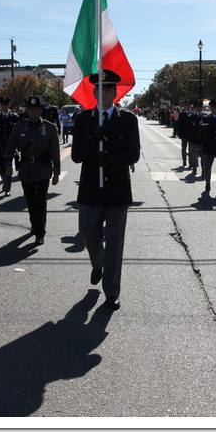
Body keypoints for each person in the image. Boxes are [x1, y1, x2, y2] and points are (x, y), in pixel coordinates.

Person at [72, 70, 140, 311]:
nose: (103, 93)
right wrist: (93, 138)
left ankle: (111, 291)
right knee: (88, 233)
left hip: (117, 190)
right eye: (99, 89)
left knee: (114, 242)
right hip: (91, 188)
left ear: (114, 92)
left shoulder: (128, 120)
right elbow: (76, 156)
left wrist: (107, 152)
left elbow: (133, 155)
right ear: (94, 92)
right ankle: (97, 264)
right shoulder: (83, 119)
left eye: (108, 89)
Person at [3, 96, 61, 245]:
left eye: (36, 109)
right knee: (30, 201)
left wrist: (56, 171)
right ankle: (35, 225)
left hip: (43, 169)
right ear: (27, 110)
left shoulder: (50, 127)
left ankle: (40, 231)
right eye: (30, 109)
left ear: (41, 110)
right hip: (26, 169)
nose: (33, 112)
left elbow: (55, 150)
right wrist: (8, 164)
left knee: (40, 201)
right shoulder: (19, 127)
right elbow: (10, 146)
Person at [0, 96, 20, 196]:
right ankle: (5, 182)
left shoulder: (15, 117)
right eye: (2, 105)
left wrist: (18, 146)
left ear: (9, 105)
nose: (4, 107)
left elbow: (18, 133)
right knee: (1, 167)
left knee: (8, 166)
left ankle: (7, 188)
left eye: (6, 104)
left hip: (10, 147)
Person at [186, 101, 204, 175]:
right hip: (193, 139)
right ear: (196, 108)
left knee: (204, 156)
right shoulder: (191, 116)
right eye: (198, 108)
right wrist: (189, 137)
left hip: (203, 139)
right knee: (193, 155)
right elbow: (188, 128)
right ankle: (194, 168)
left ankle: (203, 169)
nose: (199, 109)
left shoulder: (205, 116)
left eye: (201, 107)